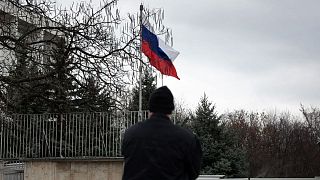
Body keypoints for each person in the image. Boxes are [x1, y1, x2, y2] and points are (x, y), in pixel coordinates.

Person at [122, 86, 202, 180]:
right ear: (171, 110)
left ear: (150, 109)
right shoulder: (187, 138)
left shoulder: (130, 134)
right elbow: (194, 172)